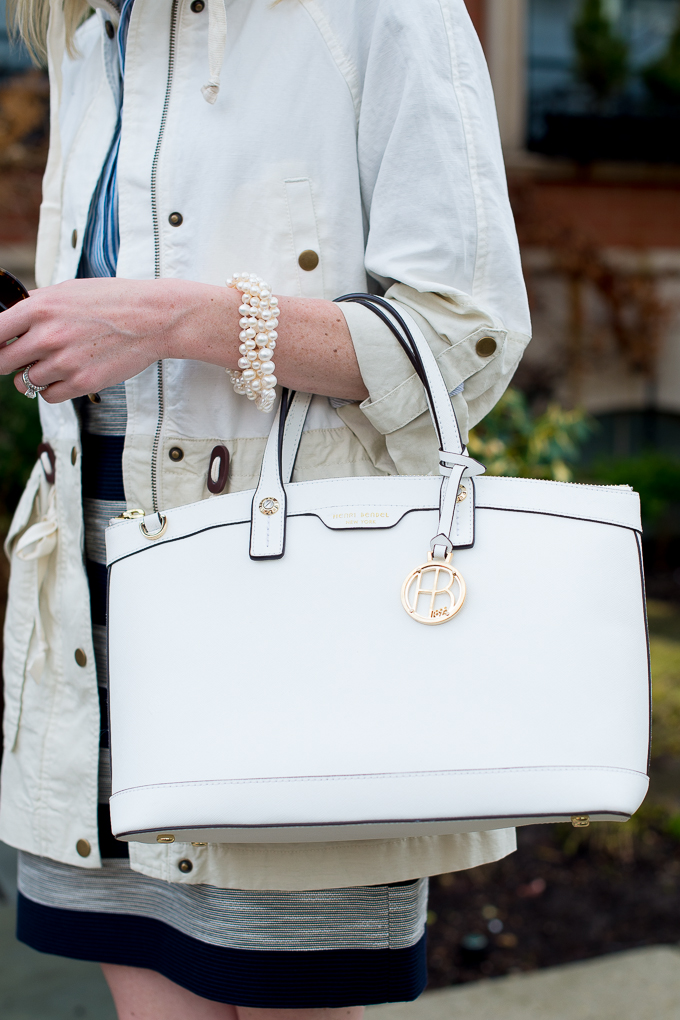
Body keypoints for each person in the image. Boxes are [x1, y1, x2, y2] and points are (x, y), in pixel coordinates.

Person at [0, 0, 531, 1017]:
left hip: (288, 621)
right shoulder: (83, 32)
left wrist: (173, 319)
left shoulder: (378, 15)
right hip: (89, 614)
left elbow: (463, 340)